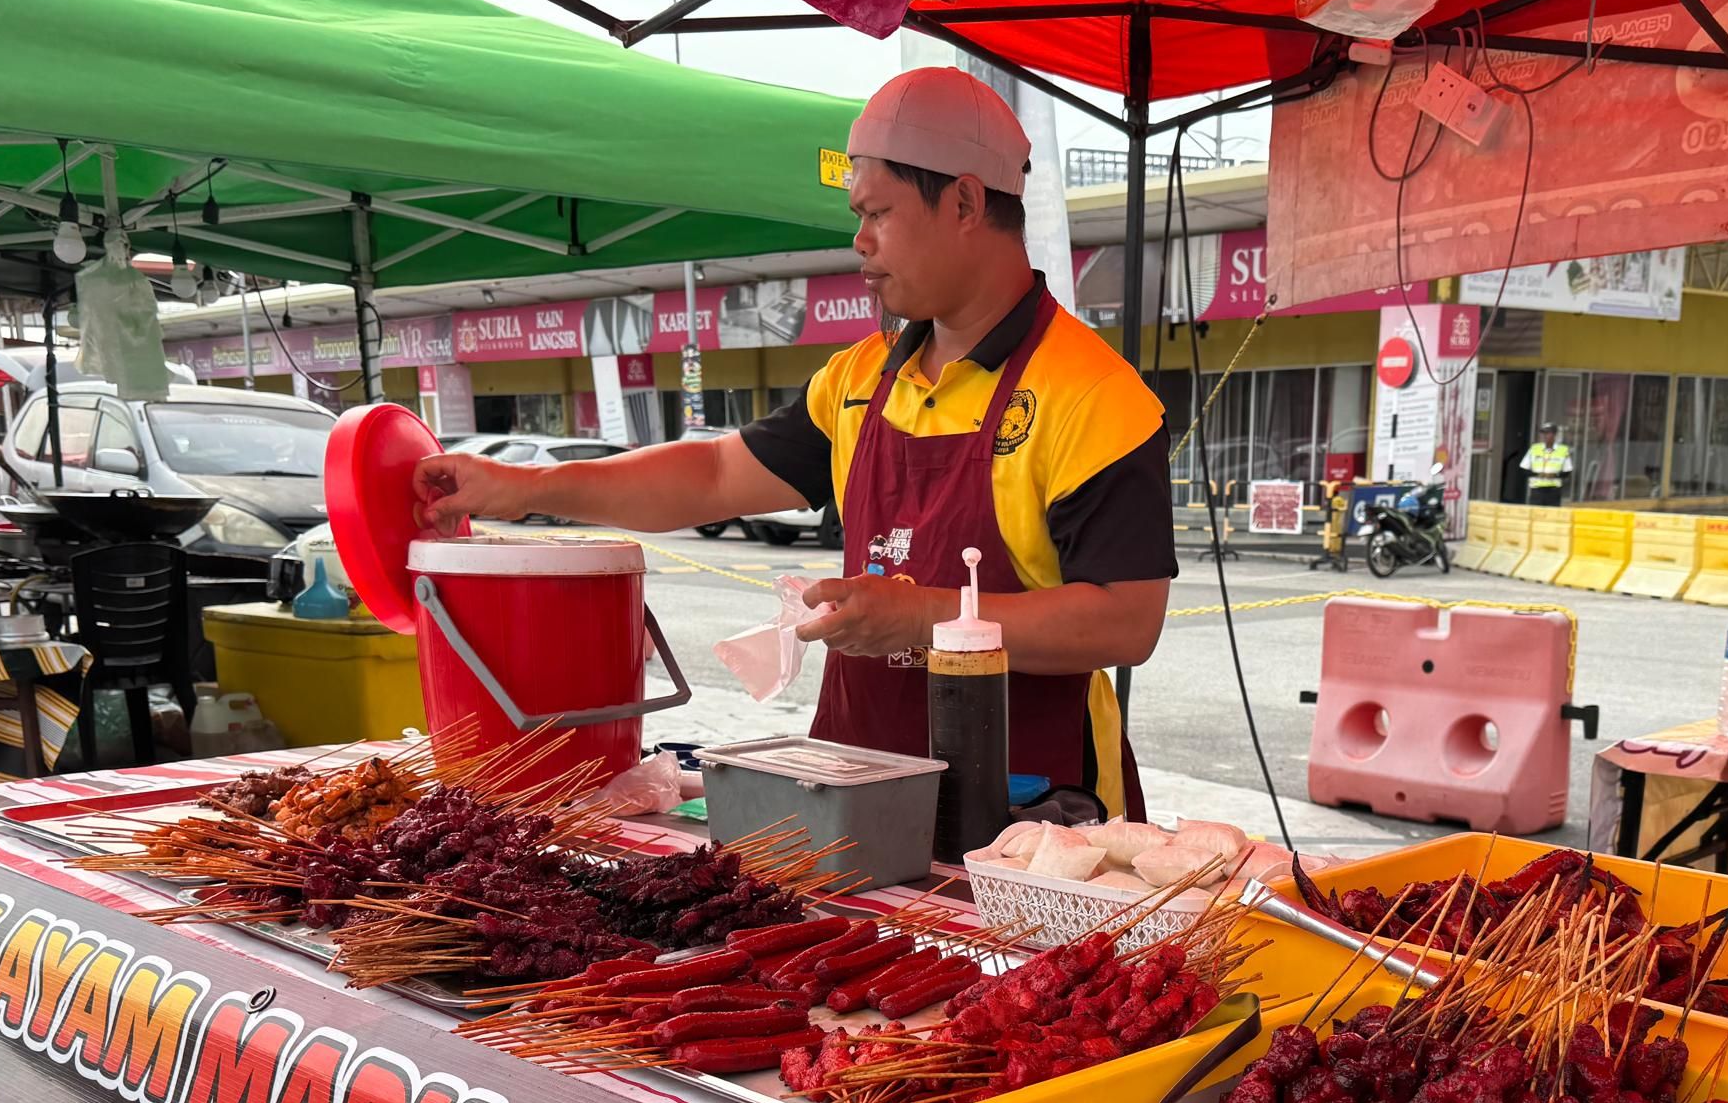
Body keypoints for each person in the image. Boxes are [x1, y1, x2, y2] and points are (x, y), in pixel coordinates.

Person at [414, 68, 1175, 819]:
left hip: (1035, 817)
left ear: (966, 202)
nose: (859, 240)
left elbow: (1125, 621)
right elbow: (714, 475)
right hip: (860, 795)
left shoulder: (1093, 395)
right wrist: (524, 489)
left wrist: (923, 618)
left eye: (877, 212)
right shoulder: (860, 379)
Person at [1521, 422, 1573, 506]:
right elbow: (1523, 469)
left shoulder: (1563, 450)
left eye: (1548, 433)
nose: (1545, 436)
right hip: (1537, 490)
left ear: (1555, 435)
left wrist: (1554, 475)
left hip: (1554, 490)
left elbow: (1567, 471)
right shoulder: (1534, 448)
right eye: (1543, 433)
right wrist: (1537, 474)